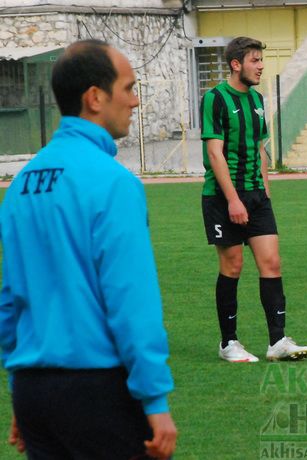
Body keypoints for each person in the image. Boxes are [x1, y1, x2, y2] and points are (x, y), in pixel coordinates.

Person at [0, 40, 177, 459]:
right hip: (97, 391)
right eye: (129, 88)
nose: (135, 101)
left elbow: (9, 302)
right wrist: (155, 399)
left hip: (34, 392)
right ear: (95, 98)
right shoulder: (114, 183)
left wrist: (19, 390)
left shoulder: (21, 184)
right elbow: (131, 301)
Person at [200, 36, 307, 363]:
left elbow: (261, 148)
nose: (261, 66)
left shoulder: (258, 100)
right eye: (255, 60)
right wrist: (233, 200)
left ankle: (277, 341)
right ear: (236, 64)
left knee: (271, 263)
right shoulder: (215, 99)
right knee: (232, 266)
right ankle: (228, 343)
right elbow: (214, 153)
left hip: (257, 197)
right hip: (223, 197)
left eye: (261, 60)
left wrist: (265, 190)